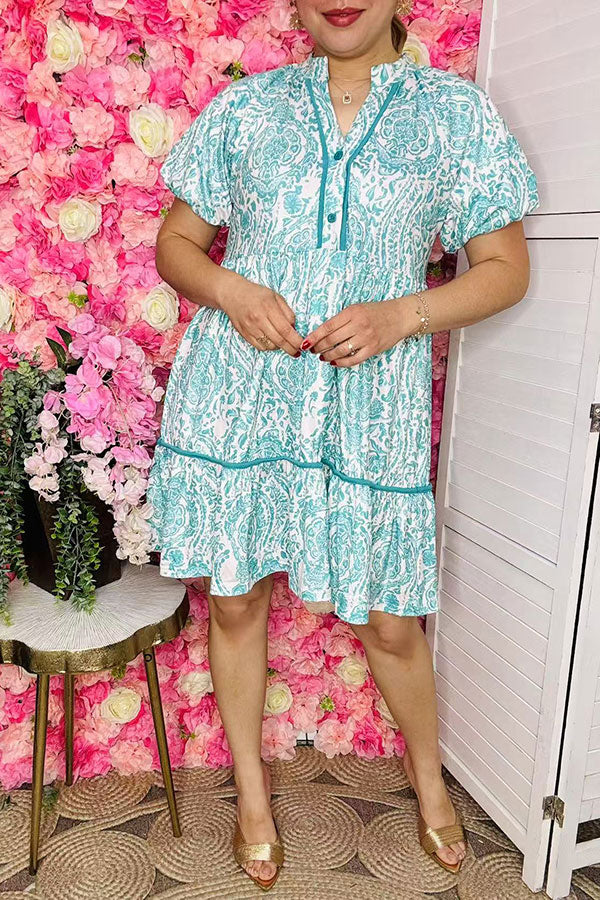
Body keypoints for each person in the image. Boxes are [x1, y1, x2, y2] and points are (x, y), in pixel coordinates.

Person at [147, 0, 539, 891]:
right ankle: (253, 800)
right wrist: (232, 291)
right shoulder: (247, 109)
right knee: (236, 600)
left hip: (369, 408)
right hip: (240, 398)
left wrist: (404, 314)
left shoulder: (454, 115)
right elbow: (177, 245)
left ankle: (429, 782)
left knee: (390, 621)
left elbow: (506, 269)